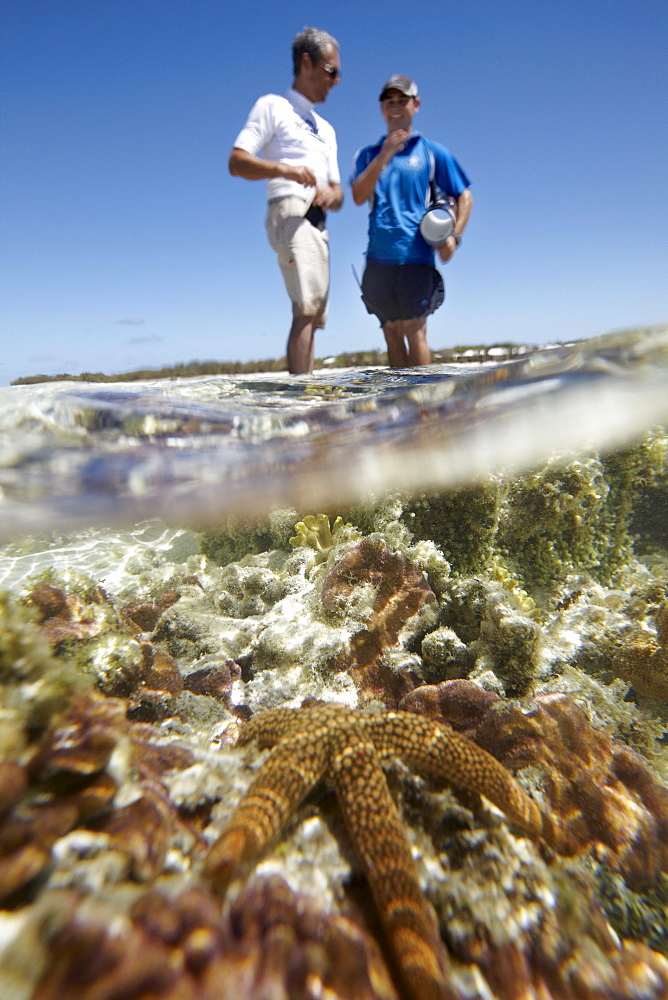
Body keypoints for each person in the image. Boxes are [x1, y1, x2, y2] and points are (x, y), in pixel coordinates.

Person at [229, 28, 343, 375]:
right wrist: (286, 170)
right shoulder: (273, 106)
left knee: (312, 314)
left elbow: (338, 193)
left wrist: (330, 194)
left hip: (318, 221)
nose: (337, 80)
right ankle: (300, 402)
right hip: (290, 210)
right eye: (331, 70)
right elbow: (237, 161)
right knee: (305, 311)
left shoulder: (326, 129)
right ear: (306, 64)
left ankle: (303, 391)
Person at [351, 75, 473, 367]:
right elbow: (357, 195)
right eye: (389, 101)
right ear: (381, 108)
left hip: (416, 258)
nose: (395, 107)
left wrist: (454, 236)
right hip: (378, 260)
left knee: (414, 331)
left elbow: (464, 195)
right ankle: (399, 407)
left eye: (401, 101)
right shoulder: (367, 155)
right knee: (392, 334)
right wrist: (384, 155)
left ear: (415, 105)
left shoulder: (432, 152)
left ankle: (424, 409)